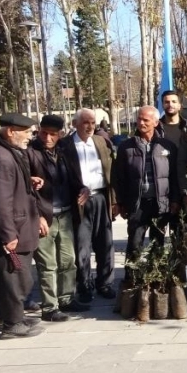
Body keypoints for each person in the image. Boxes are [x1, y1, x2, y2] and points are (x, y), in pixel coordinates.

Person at [0, 113, 44, 339]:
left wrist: (27, 181)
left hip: (19, 227)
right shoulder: (0, 157)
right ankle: (11, 324)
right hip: (11, 231)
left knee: (20, 277)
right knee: (12, 278)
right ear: (11, 131)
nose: (30, 137)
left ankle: (16, 317)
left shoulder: (7, 152)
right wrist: (8, 234)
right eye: (26, 132)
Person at [28, 115, 90, 322]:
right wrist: (37, 217)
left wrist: (83, 189)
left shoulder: (64, 150)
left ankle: (66, 298)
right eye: (43, 132)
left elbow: (74, 178)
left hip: (65, 214)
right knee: (47, 264)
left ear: (60, 134)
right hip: (44, 216)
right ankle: (49, 307)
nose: (47, 137)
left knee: (68, 260)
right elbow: (24, 190)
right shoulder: (29, 152)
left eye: (52, 134)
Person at [113, 106, 180, 277]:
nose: (141, 123)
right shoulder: (126, 147)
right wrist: (120, 202)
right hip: (137, 204)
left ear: (156, 123)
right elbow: (118, 177)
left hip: (160, 203)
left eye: (146, 120)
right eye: (139, 119)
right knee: (135, 243)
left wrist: (174, 200)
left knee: (158, 244)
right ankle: (132, 278)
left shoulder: (168, 146)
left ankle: (156, 276)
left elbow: (174, 176)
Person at [60, 108, 116, 302]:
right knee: (82, 245)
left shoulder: (101, 142)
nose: (90, 126)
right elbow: (63, 176)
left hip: (101, 197)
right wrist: (77, 190)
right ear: (75, 124)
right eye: (85, 122)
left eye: (92, 122)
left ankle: (105, 283)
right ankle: (84, 285)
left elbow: (111, 172)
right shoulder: (65, 146)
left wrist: (114, 201)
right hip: (79, 202)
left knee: (105, 243)